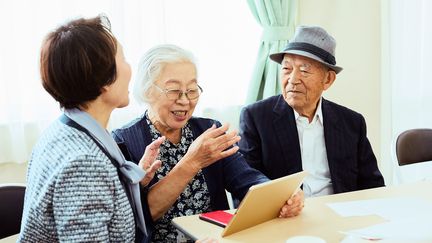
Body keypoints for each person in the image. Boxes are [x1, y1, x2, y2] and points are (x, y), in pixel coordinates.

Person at [112, 44, 305, 243]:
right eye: (174, 90)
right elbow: (136, 218)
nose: (185, 100)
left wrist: (282, 196)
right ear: (147, 90)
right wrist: (192, 162)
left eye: (192, 90)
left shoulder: (208, 130)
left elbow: (246, 179)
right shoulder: (123, 141)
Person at [18, 15, 163, 242]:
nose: (130, 68)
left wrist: (130, 181)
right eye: (123, 58)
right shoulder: (85, 163)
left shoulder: (65, 130)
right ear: (104, 79)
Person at [238, 26, 385, 198]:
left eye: (304, 70)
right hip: (285, 217)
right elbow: (246, 184)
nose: (292, 80)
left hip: (339, 214)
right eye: (286, 69)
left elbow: (372, 185)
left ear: (328, 79)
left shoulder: (352, 122)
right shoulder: (256, 118)